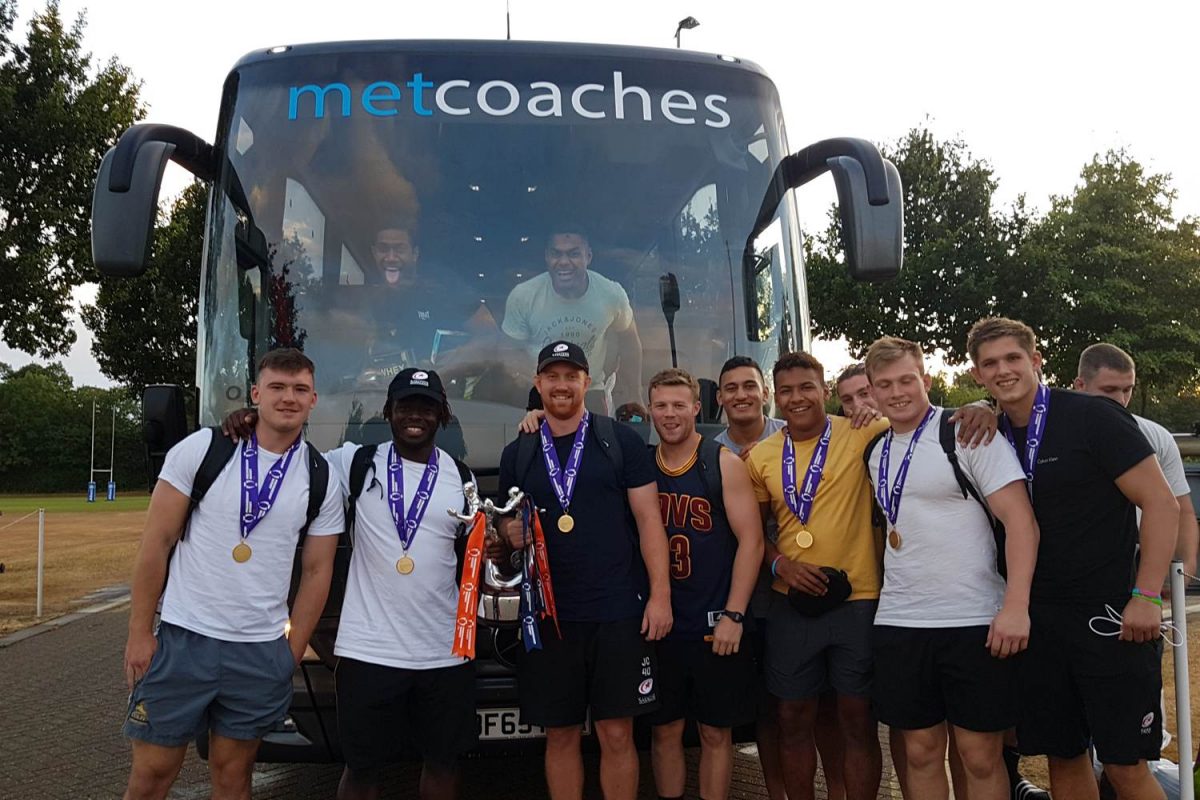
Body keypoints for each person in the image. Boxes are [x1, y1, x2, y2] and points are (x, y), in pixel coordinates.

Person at [221, 368, 478, 799]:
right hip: (368, 652)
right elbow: (288, 459)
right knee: (361, 768)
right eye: (406, 406)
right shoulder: (354, 463)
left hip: (444, 652)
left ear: (442, 415)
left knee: (443, 762)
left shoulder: (462, 478)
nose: (415, 415)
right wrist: (251, 420)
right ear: (389, 412)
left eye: (426, 407)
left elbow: (473, 556)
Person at [966, 317, 1178, 800]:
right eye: (990, 363)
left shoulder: (1093, 417)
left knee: (1125, 767)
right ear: (977, 374)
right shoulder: (989, 432)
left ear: (1036, 361)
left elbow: (1162, 504)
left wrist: (1146, 595)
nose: (1003, 370)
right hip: (1038, 622)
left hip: (1111, 617)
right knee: (1064, 757)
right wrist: (977, 408)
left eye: (1013, 358)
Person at [121, 348, 344, 800]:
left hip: (259, 652)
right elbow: (155, 545)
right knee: (151, 776)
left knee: (233, 776)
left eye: (300, 389)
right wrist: (139, 631)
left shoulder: (321, 476)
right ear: (257, 393)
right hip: (185, 639)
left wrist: (292, 650)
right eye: (278, 387)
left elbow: (318, 571)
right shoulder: (203, 448)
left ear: (314, 399)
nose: (288, 398)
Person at [863, 336, 1039, 800]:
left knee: (979, 755)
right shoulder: (875, 450)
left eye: (906, 379)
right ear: (872, 390)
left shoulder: (967, 432)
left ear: (926, 378)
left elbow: (1022, 524)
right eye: (885, 384)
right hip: (901, 620)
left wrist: (1015, 607)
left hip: (974, 619)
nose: (897, 392)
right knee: (919, 752)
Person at [498, 340, 671, 800]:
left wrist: (660, 597)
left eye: (570, 376)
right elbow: (506, 518)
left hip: (617, 613)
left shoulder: (620, 441)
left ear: (586, 383)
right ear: (538, 384)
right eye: (551, 376)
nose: (561, 385)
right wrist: (507, 531)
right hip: (550, 619)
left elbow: (649, 522)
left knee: (617, 734)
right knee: (560, 735)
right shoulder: (521, 450)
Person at [744, 351, 890, 800]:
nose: (797, 398)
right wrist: (779, 563)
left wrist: (977, 409)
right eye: (786, 390)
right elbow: (753, 533)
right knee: (792, 716)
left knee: (857, 717)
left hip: (858, 598)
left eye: (807, 387)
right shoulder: (761, 456)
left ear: (824, 391)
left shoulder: (866, 432)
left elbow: (923, 421)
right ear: (774, 397)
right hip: (793, 600)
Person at [713, 355, 838, 800]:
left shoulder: (790, 432)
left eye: (750, 385)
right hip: (750, 597)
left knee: (824, 708)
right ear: (719, 398)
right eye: (731, 388)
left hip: (802, 592)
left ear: (765, 392)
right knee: (772, 708)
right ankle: (778, 793)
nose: (741, 395)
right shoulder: (712, 451)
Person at [644, 368, 764, 800]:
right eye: (661, 405)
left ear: (697, 408)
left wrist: (734, 614)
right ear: (649, 410)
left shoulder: (721, 463)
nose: (670, 414)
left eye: (679, 405)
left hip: (715, 624)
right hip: (662, 624)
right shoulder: (642, 467)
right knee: (665, 730)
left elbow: (752, 541)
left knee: (715, 733)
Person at [1075, 343, 1198, 575]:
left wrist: (1183, 567)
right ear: (1080, 385)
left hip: (1134, 566)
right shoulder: (1055, 431)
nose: (1121, 400)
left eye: (1127, 389)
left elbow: (1182, 510)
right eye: (1109, 390)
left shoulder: (1157, 436)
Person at [502, 225, 644, 409]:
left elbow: (629, 342)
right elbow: (509, 351)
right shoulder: (523, 296)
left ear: (588, 257)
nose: (563, 261)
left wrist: (635, 395)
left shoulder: (611, 294)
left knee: (598, 438)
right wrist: (527, 383)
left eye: (573, 254)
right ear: (547, 257)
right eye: (556, 254)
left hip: (590, 391)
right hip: (539, 393)